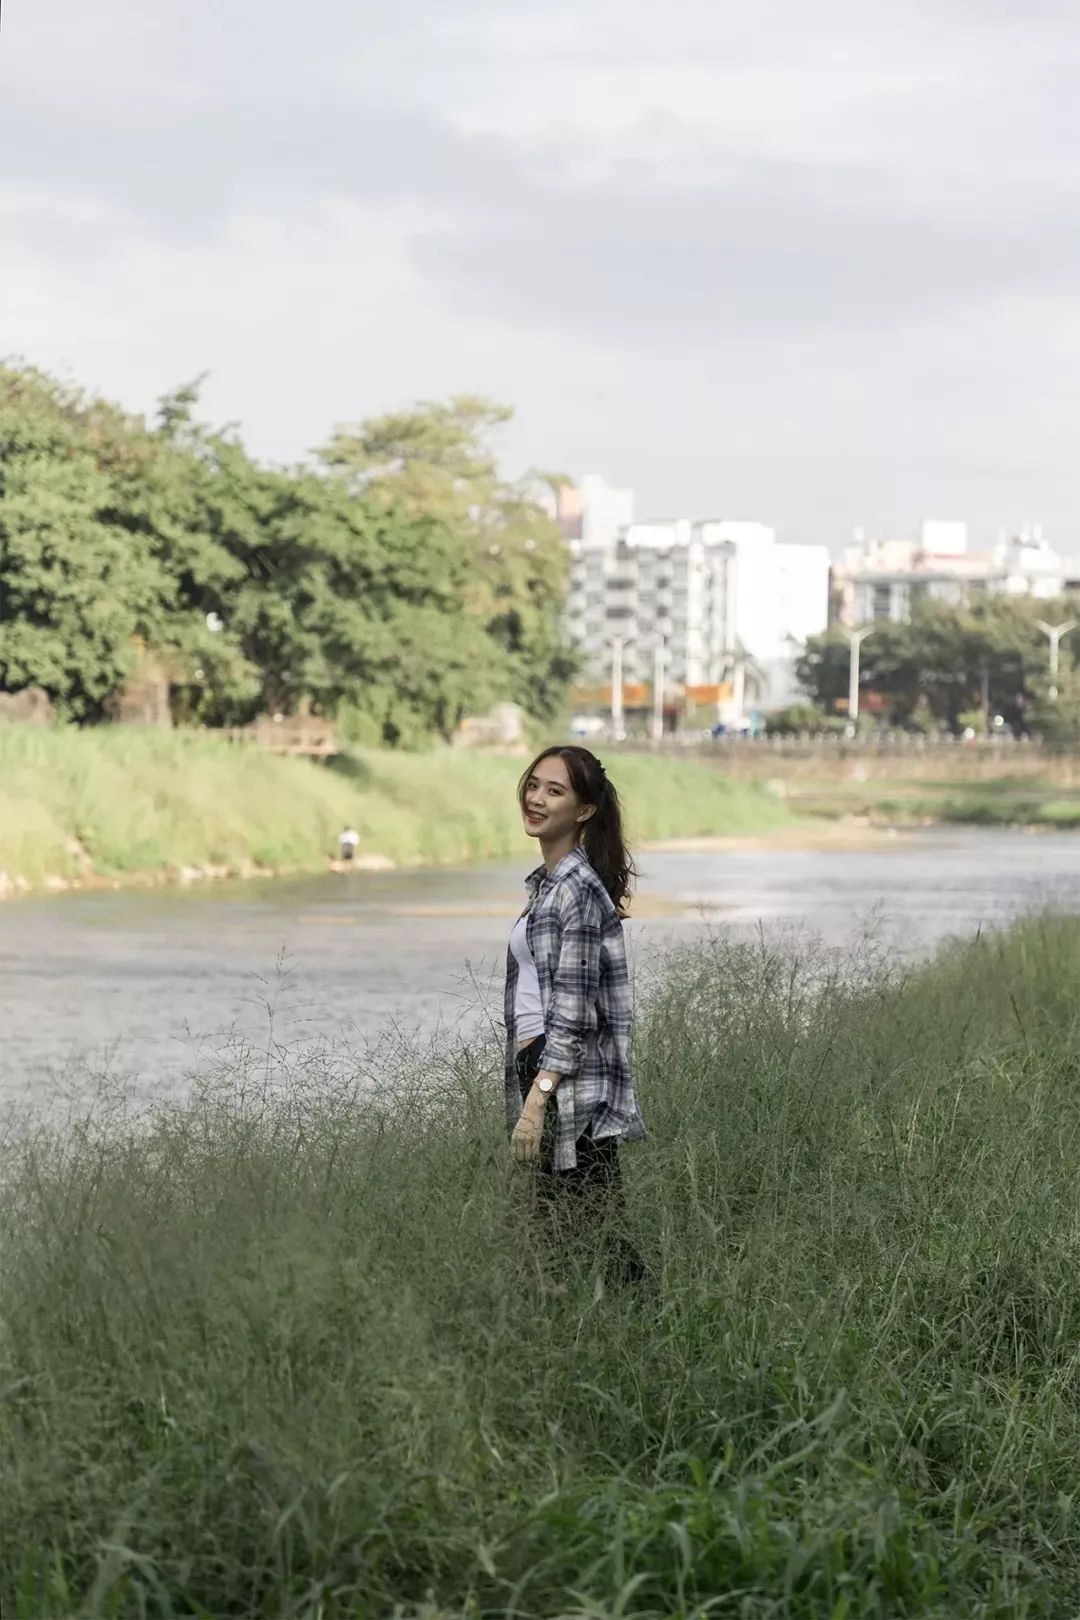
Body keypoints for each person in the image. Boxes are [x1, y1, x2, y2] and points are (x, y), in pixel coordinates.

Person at [504, 744, 647, 1285]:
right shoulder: (547, 884)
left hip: (563, 1079)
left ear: (584, 810)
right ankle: (612, 1332)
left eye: (554, 791)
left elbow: (572, 1012)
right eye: (533, 784)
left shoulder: (576, 891)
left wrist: (537, 1101)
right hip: (545, 1071)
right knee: (575, 1224)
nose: (536, 799)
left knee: (589, 1229)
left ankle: (637, 1329)